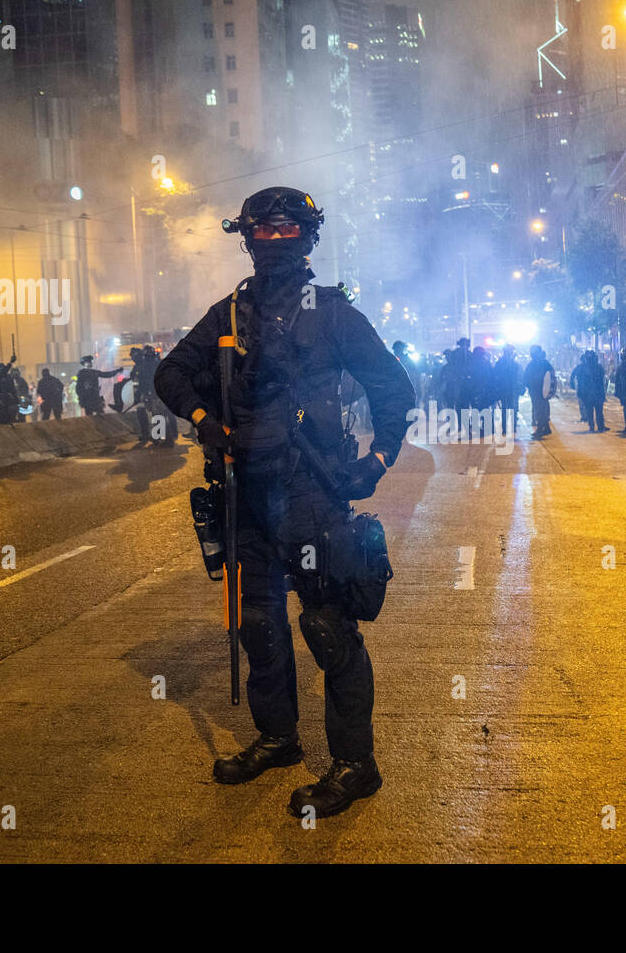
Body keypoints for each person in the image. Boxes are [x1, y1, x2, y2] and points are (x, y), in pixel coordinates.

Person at [154, 185, 413, 819]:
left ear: (308, 236)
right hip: (247, 496)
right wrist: (202, 419)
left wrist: (378, 461)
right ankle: (279, 738)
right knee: (258, 626)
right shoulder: (231, 313)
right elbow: (169, 373)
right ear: (244, 237)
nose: (272, 241)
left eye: (284, 229)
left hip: (313, 496)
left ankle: (356, 766)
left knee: (328, 628)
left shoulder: (333, 314)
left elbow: (394, 388)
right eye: (260, 231)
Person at [524, 344, 555, 439]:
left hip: (539, 391)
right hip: (537, 390)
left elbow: (550, 376)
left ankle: (540, 429)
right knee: (542, 409)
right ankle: (546, 428)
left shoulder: (538, 363)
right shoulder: (543, 363)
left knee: (540, 410)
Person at [493, 344, 523, 435]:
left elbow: (519, 377)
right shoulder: (513, 364)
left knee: (509, 409)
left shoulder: (502, 363)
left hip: (509, 390)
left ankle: (509, 428)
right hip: (508, 390)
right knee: (508, 409)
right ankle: (507, 428)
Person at [391, 341, 422, 410]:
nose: (396, 351)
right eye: (395, 349)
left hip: (405, 386)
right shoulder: (391, 359)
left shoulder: (407, 360)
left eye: (398, 349)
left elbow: (414, 373)